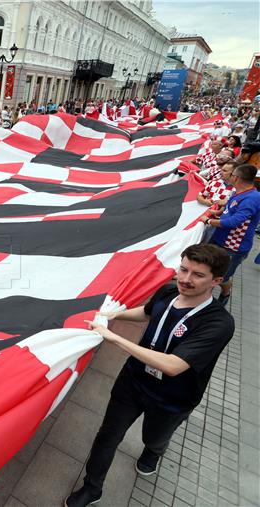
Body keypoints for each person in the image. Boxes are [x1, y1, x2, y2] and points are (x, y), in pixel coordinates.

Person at [65, 244, 234, 507]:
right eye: (183, 269)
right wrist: (112, 315)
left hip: (172, 398)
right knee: (108, 434)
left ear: (217, 280)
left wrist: (113, 337)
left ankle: (153, 452)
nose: (186, 280)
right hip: (133, 381)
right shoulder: (169, 290)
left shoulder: (219, 324)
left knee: (153, 438)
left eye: (198, 275)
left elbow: (173, 366)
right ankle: (92, 487)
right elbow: (146, 312)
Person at [201, 164, 260, 304]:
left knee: (222, 277)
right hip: (218, 239)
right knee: (208, 270)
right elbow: (231, 206)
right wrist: (219, 212)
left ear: (236, 177)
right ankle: (202, 298)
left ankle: (225, 293)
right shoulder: (240, 191)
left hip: (233, 247)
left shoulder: (252, 198)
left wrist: (209, 220)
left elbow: (234, 222)